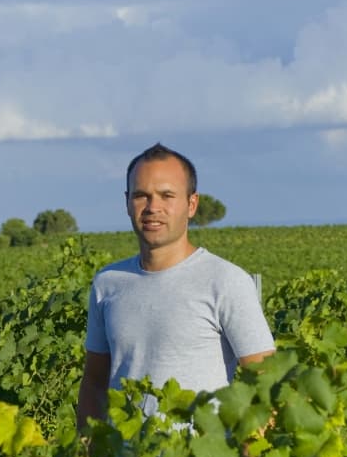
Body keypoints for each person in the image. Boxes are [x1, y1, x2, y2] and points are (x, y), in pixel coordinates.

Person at [77, 143, 275, 433]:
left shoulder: (225, 281)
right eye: (141, 195)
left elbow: (266, 378)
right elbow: (95, 382)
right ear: (127, 202)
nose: (152, 207)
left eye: (166, 195)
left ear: (191, 204)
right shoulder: (108, 282)